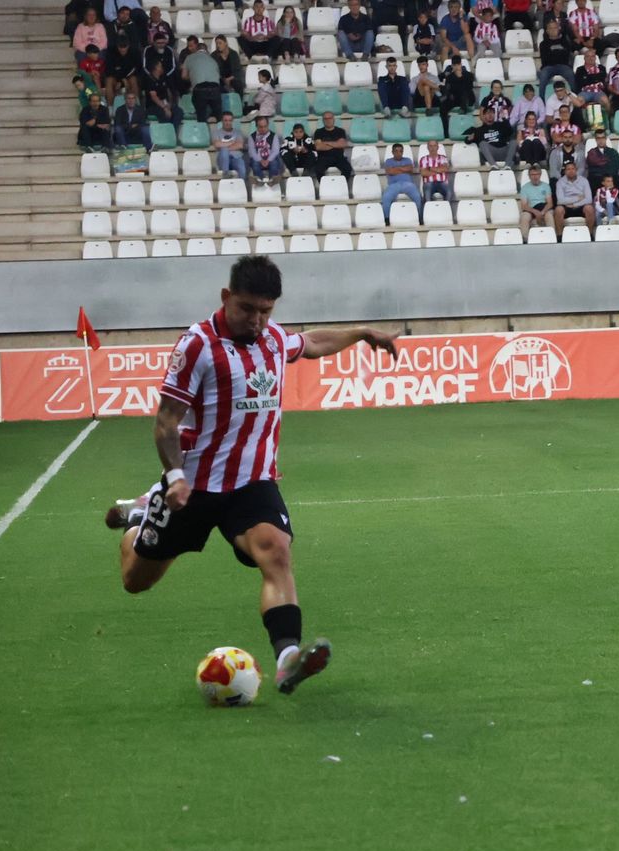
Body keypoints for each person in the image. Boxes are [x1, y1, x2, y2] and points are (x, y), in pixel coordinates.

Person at [103, 257, 400, 696]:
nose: (257, 321)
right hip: (193, 486)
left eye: (266, 311)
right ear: (226, 297)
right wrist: (174, 478)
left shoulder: (274, 339)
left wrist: (361, 333)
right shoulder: (198, 345)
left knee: (276, 552)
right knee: (136, 581)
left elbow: (312, 342)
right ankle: (141, 517)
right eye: (247, 309)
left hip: (252, 483)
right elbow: (166, 422)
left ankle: (288, 659)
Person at [553, 157, 595, 235]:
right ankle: (560, 236)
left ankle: (590, 234)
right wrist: (578, 198)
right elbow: (560, 200)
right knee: (558, 210)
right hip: (566, 207)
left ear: (576, 170)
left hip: (581, 206)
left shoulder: (584, 181)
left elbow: (589, 199)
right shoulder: (560, 182)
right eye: (568, 169)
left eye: (573, 168)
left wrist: (575, 204)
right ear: (565, 171)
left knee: (589, 208)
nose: (571, 171)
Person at [311, 111, 354, 180]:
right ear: (323, 120)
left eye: (330, 118)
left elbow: (342, 144)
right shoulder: (318, 132)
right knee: (318, 170)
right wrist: (335, 143)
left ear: (333, 119)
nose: (328, 120)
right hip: (323, 158)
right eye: (325, 119)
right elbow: (318, 147)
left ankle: (341, 186)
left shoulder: (340, 131)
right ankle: (325, 188)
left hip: (338, 157)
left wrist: (326, 143)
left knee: (347, 169)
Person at [516, 160, 553, 236]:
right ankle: (525, 240)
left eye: (537, 174)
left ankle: (552, 238)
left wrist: (542, 212)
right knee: (524, 217)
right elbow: (524, 205)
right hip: (530, 209)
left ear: (540, 175)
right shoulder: (525, 188)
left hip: (544, 208)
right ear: (529, 176)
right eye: (532, 174)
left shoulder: (546, 186)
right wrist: (535, 212)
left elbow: (550, 203)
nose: (535, 177)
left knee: (549, 216)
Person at [246, 114, 283, 184]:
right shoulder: (252, 137)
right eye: (260, 127)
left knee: (274, 163)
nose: (263, 129)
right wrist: (260, 160)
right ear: (256, 126)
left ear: (268, 125)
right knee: (255, 164)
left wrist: (268, 160)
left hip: (271, 159)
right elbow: (252, 152)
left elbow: (275, 151)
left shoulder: (273, 135)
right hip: (257, 160)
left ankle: (272, 180)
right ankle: (260, 181)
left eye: (265, 126)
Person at [214, 112, 248, 180]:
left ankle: (242, 186)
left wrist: (224, 145)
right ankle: (226, 174)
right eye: (225, 120)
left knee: (241, 165)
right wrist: (232, 142)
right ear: (222, 121)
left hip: (236, 158)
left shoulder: (238, 132)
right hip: (222, 159)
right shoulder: (217, 132)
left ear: (232, 121)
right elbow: (217, 144)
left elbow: (240, 145)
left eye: (230, 120)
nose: (227, 122)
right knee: (224, 151)